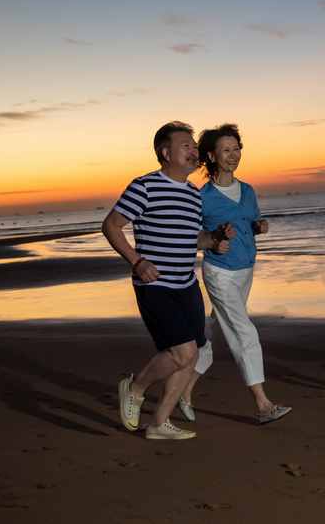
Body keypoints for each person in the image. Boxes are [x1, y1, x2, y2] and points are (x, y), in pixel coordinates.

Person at [102, 121, 233, 440]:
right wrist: (137, 261)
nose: (194, 150)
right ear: (165, 152)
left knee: (196, 352)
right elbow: (111, 226)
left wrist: (213, 238)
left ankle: (159, 423)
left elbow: (192, 240)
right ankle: (135, 388)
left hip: (187, 285)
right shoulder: (144, 186)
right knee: (183, 353)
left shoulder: (192, 194)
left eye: (194, 145)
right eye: (186, 144)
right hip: (156, 286)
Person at [178, 123, 292, 425]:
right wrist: (215, 236)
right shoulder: (203, 196)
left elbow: (250, 224)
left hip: (246, 271)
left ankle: (183, 390)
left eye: (236, 148)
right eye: (225, 150)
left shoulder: (248, 190)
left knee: (213, 335)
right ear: (212, 157)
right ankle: (263, 404)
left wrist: (259, 227)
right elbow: (192, 234)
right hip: (220, 273)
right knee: (245, 332)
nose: (232, 154)